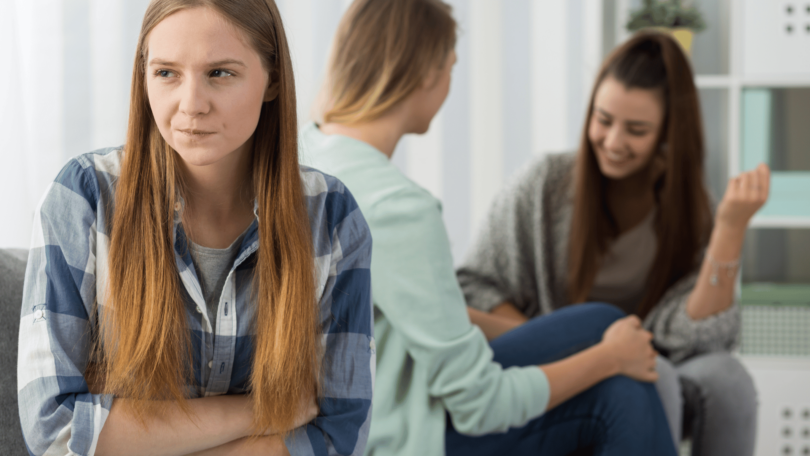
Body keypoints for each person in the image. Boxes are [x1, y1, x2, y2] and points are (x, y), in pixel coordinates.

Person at [301, 1, 677, 455]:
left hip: (348, 413)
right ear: (426, 72)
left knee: (604, 334)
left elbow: (392, 317)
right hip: (388, 434)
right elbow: (480, 405)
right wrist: (609, 357)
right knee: (616, 372)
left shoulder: (307, 151)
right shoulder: (397, 208)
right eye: (451, 67)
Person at [17, 1, 374, 455]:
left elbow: (338, 438)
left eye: (220, 73)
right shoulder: (84, 198)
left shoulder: (331, 217)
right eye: (166, 73)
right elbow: (55, 431)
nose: (191, 105)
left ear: (273, 80)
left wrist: (132, 432)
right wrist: (266, 412)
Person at [458, 32, 766, 456]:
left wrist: (730, 228)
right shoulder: (544, 184)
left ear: (668, 134)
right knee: (656, 376)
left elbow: (704, 335)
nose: (614, 141)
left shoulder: (692, 207)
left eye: (636, 130)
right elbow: (475, 286)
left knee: (726, 379)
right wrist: (569, 343)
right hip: (568, 359)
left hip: (654, 351)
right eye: (603, 120)